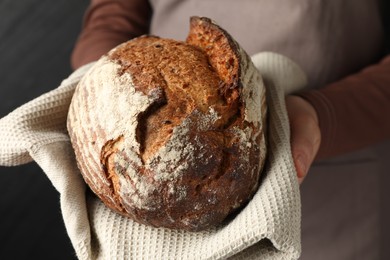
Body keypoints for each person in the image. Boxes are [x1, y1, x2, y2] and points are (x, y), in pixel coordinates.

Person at [71, 0, 390, 259]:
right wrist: (101, 90)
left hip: (333, 186)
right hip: (138, 116)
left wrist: (324, 114)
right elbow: (114, 12)